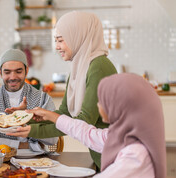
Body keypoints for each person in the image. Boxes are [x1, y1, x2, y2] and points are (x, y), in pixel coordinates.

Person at [24, 73, 166, 178]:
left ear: (120, 106)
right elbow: (88, 133)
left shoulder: (136, 155)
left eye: (103, 100)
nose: (98, 105)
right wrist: (52, 116)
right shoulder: (124, 136)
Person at [7, 11, 117, 168]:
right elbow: (65, 113)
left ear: (78, 36)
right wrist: (24, 117)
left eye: (60, 40)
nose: (57, 47)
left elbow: (82, 122)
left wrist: (32, 130)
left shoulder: (99, 66)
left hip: (114, 159)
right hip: (102, 157)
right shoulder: (79, 67)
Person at [0, 49, 57, 150]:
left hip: (36, 159)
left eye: (18, 71)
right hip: (0, 159)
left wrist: (26, 119)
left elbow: (52, 139)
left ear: (26, 71)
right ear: (0, 72)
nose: (13, 77)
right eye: (7, 72)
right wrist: (20, 146)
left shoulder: (43, 99)